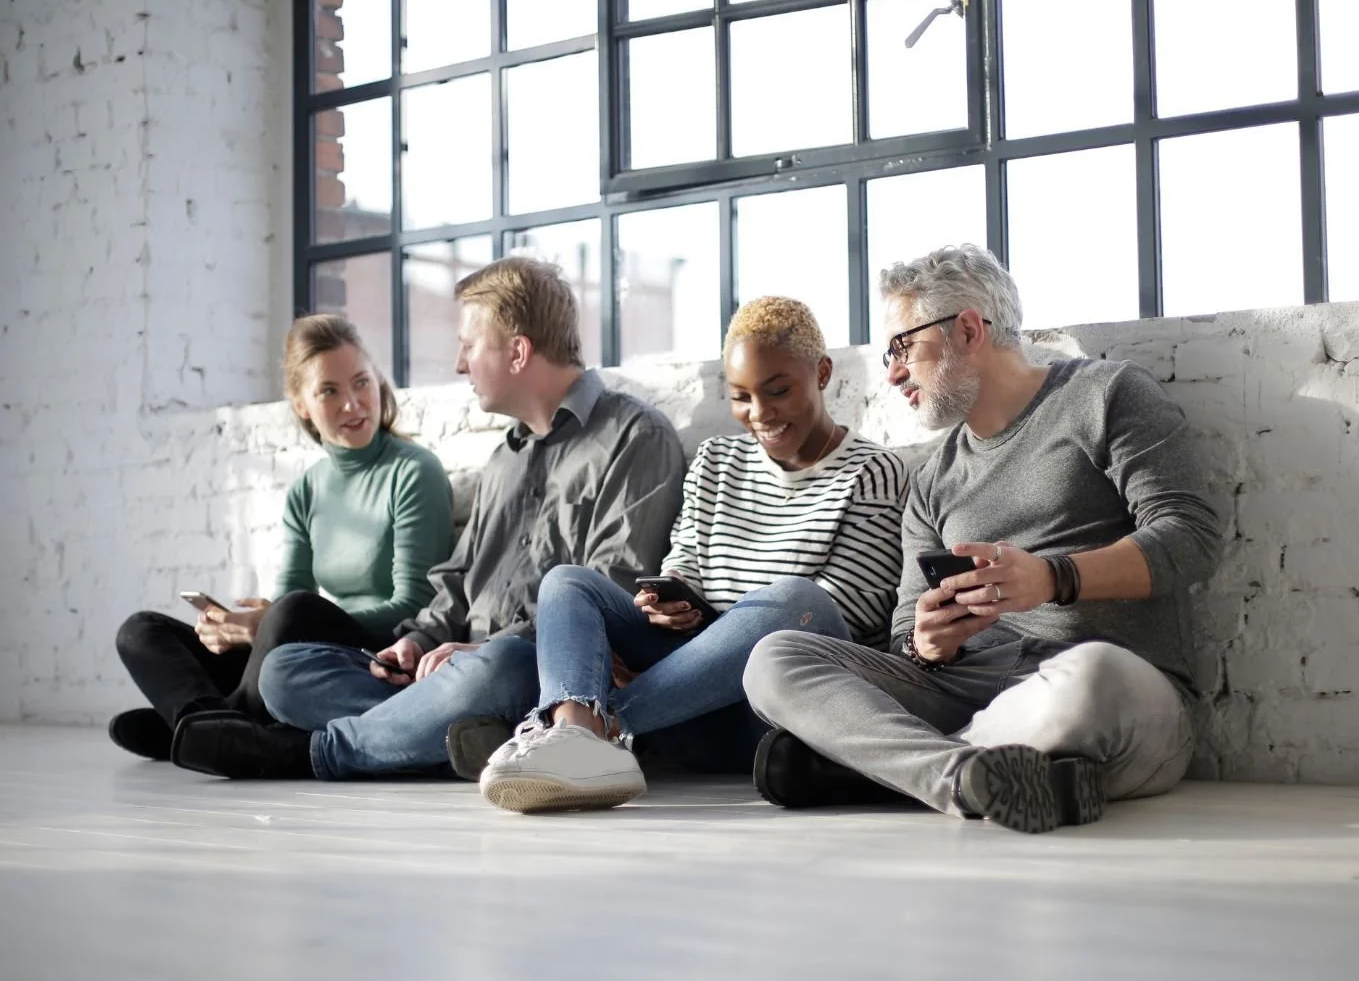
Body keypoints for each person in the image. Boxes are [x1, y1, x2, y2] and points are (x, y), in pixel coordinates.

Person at [742, 245, 1222, 833]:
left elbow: (1192, 537)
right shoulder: (932, 479)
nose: (891, 372)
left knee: (1093, 677)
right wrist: (928, 646)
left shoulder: (1107, 395)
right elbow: (903, 643)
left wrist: (1053, 578)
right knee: (773, 658)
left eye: (901, 347)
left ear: (968, 330)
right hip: (970, 690)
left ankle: (880, 767)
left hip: (1096, 690)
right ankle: (968, 779)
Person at [170, 256, 686, 780]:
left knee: (498, 669)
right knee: (285, 671)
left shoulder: (634, 436)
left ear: (517, 351)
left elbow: (606, 596)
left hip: (531, 672)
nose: (460, 364)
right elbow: (457, 584)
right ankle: (458, 739)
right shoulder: (503, 459)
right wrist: (415, 642)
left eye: (468, 345)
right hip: (450, 673)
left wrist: (481, 649)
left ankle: (317, 752)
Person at [479, 296, 909, 814]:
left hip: (775, 706)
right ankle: (575, 730)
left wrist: (697, 658)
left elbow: (846, 616)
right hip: (684, 696)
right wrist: (667, 604)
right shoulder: (716, 461)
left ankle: (599, 731)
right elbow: (682, 565)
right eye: (741, 397)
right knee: (567, 583)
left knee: (800, 601)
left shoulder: (876, 472)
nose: (760, 413)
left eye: (778, 391)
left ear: (821, 373)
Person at [109, 315, 452, 763]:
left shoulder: (413, 471)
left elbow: (414, 605)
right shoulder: (307, 489)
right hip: (297, 649)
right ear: (302, 405)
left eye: (361, 382)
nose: (353, 404)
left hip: (375, 650)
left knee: (291, 612)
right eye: (329, 390)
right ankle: (207, 721)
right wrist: (237, 627)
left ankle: (200, 722)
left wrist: (273, 622)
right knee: (140, 631)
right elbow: (286, 601)